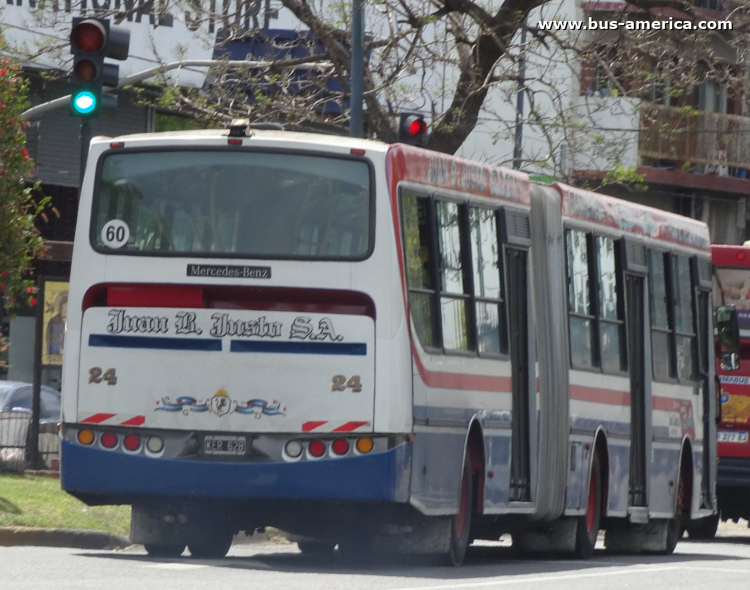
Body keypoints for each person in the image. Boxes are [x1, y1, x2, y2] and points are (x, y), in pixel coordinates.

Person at [46, 291, 68, 356]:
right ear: (62, 305)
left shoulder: (73, 321)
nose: (69, 307)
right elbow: (50, 340)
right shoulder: (53, 321)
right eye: (67, 304)